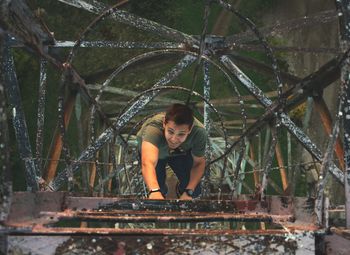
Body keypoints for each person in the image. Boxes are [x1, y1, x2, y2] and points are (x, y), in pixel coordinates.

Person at [137, 103, 207, 200]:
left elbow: (199, 163)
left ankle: (181, 190)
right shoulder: (153, 130)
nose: (174, 139)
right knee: (157, 189)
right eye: (170, 132)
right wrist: (154, 191)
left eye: (181, 134)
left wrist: (189, 191)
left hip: (181, 152)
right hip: (156, 154)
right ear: (164, 124)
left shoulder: (199, 132)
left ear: (190, 130)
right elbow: (148, 163)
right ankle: (162, 190)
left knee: (195, 191)